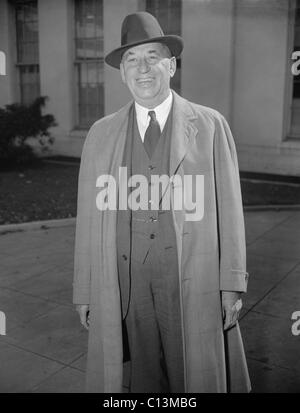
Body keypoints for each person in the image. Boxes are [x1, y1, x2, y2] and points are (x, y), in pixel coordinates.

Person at [73, 11, 251, 393]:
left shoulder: (210, 126)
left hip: (191, 274)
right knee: (139, 377)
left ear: (171, 64)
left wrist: (232, 282)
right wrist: (84, 289)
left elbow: (231, 209)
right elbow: (89, 219)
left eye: (152, 56)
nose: (143, 68)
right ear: (122, 72)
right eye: (132, 60)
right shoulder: (100, 134)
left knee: (194, 371)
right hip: (124, 280)